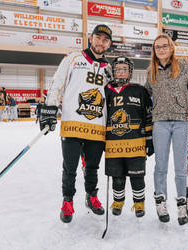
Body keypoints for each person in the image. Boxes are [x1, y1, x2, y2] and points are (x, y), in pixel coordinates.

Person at [39, 24, 113, 223]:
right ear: (90, 38)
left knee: (92, 167)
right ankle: (68, 201)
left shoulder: (109, 69)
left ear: (109, 44)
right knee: (70, 167)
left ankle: (91, 196)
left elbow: (111, 98)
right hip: (72, 123)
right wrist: (49, 109)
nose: (101, 42)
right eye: (98, 38)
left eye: (105, 40)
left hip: (97, 127)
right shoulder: (73, 58)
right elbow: (57, 83)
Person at [145, 34, 188, 225]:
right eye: (157, 47)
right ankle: (160, 200)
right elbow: (146, 96)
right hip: (160, 123)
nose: (161, 49)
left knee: (180, 167)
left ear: (171, 48)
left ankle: (182, 203)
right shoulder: (151, 71)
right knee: (160, 166)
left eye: (164, 46)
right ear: (154, 50)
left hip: (180, 122)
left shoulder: (185, 66)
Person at [105, 56, 153, 218]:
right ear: (113, 71)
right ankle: (118, 202)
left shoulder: (139, 91)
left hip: (136, 143)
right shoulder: (105, 91)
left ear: (130, 72)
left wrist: (150, 138)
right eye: (118, 69)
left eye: (124, 69)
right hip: (113, 144)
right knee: (117, 176)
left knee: (137, 176)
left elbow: (148, 115)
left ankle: (139, 204)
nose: (120, 72)